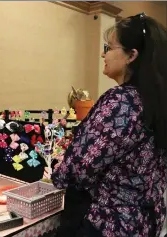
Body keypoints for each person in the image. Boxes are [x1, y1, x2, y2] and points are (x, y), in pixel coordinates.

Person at [52, 13, 167, 237]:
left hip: (108, 223)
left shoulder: (122, 102)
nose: (102, 54)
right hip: (145, 222)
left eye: (109, 47)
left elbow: (77, 168)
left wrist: (58, 175)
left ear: (131, 55)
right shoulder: (155, 102)